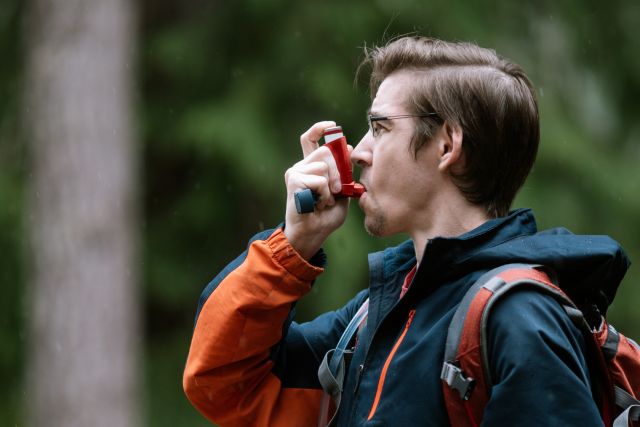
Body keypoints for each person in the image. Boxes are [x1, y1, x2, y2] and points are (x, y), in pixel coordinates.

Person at [183, 36, 629, 426]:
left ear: (447, 146)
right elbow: (224, 385)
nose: (358, 151)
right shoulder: (371, 320)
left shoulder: (520, 320)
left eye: (380, 128)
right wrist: (293, 246)